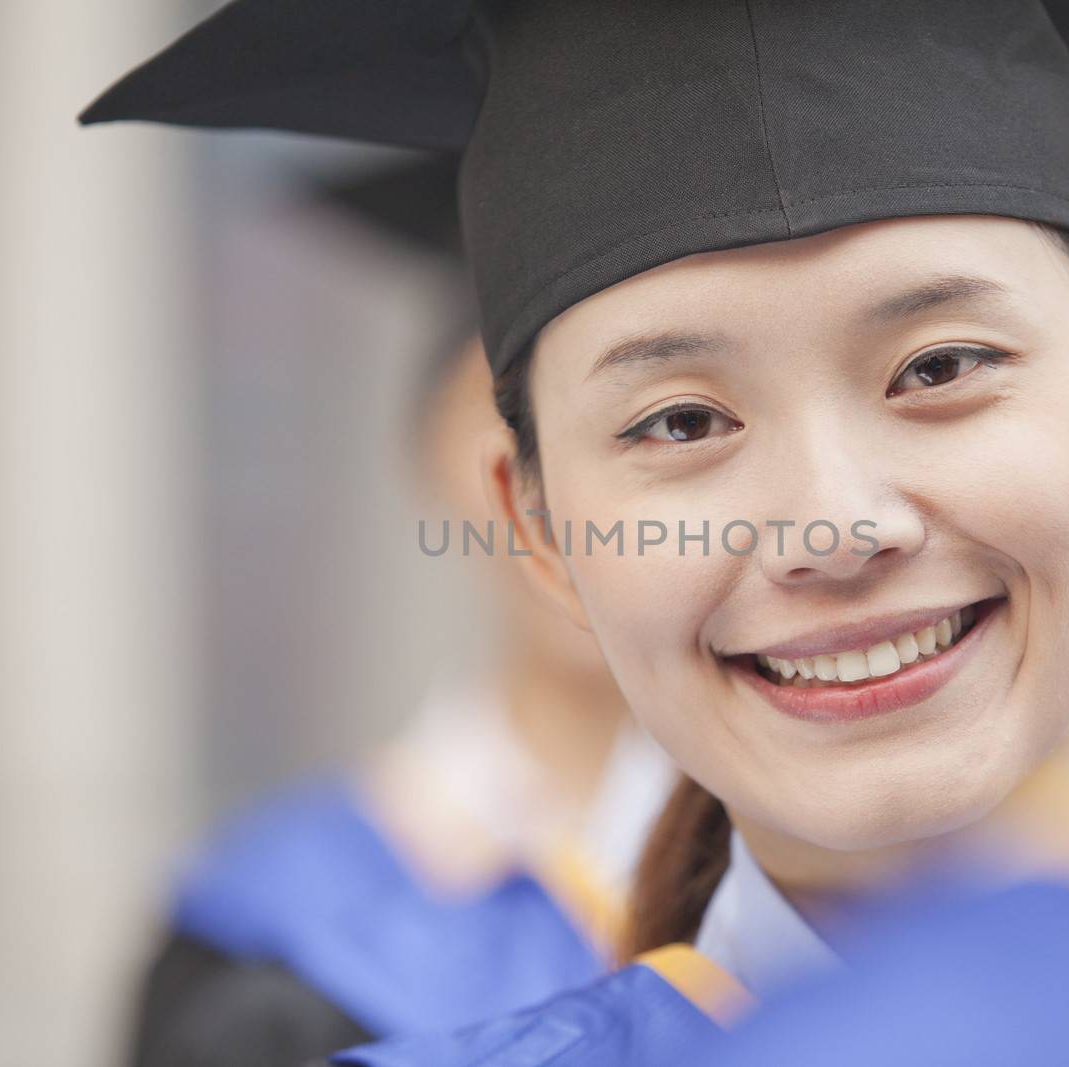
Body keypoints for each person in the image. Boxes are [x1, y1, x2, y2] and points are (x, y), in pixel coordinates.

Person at [80, 1, 1069, 1062]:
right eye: (679, 420)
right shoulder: (309, 958)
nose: (832, 524)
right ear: (538, 530)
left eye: (940, 364)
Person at [122, 154, 675, 1067]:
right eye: (511, 427)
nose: (568, 497)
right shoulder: (265, 924)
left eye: (668, 423)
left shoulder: (864, 890)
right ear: (428, 455)